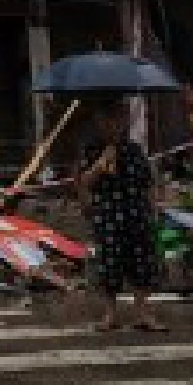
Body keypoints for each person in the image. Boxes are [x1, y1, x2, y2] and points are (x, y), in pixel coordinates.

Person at [80, 100, 166, 332]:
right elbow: (84, 182)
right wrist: (100, 164)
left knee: (142, 263)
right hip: (108, 214)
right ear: (99, 123)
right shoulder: (92, 150)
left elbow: (147, 182)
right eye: (107, 121)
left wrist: (154, 209)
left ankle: (142, 313)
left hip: (136, 213)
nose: (113, 126)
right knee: (110, 263)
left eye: (118, 120)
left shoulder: (134, 150)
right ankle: (110, 314)